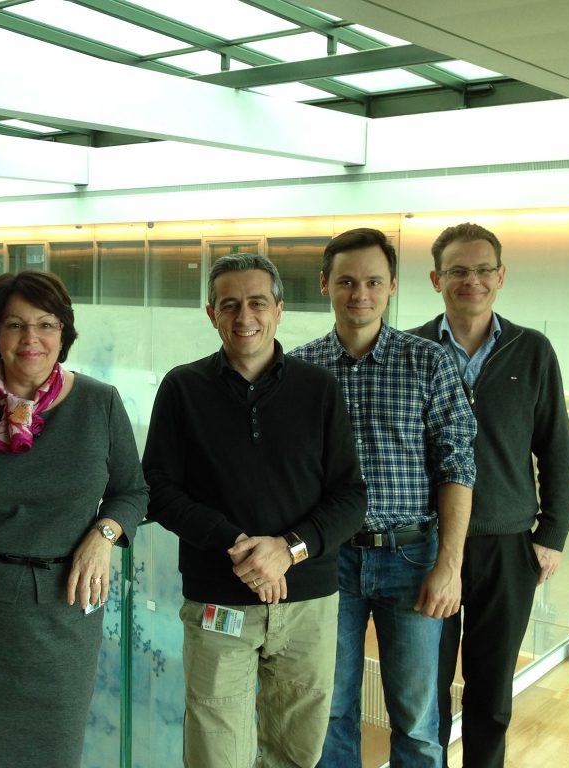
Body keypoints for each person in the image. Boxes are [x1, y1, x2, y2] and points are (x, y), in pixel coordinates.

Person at [0, 270, 148, 767]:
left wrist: (104, 534)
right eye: (15, 325)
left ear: (64, 333)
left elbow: (133, 491)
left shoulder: (100, 403)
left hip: (63, 619)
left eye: (46, 324)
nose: (31, 339)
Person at [143, 253, 367, 768]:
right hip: (218, 600)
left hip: (307, 601)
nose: (244, 316)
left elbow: (351, 496)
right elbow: (157, 487)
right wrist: (238, 545)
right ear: (211, 314)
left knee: (297, 750)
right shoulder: (182, 389)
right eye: (229, 305)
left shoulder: (319, 389)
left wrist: (288, 550)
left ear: (279, 309)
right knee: (215, 752)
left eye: (257, 302)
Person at [290, 228, 477, 767]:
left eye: (373, 281)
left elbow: (458, 467)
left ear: (392, 285)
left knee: (417, 718)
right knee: (329, 710)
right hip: (328, 561)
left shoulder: (428, 362)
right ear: (325, 284)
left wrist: (450, 566)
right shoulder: (299, 370)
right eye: (347, 281)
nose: (360, 294)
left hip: (412, 558)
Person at [409, 222, 569, 768]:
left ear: (501, 277)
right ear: (436, 279)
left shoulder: (533, 351)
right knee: (423, 690)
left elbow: (555, 449)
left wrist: (551, 535)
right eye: (458, 270)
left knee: (491, 692)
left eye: (483, 270)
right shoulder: (411, 350)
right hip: (425, 546)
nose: (471, 280)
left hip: (507, 546)